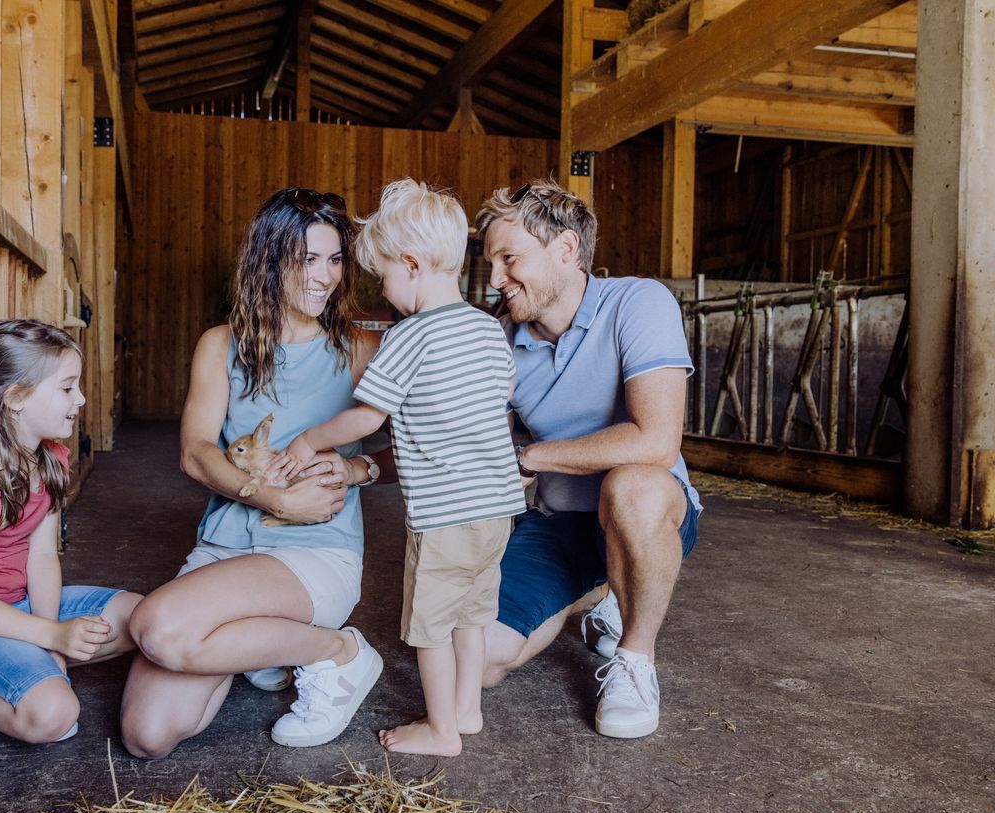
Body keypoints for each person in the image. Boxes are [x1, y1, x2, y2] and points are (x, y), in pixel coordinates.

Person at [120, 188, 391, 759]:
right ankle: (267, 649)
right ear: (270, 261)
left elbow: (420, 452)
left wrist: (357, 466)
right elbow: (195, 452)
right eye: (307, 260)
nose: (325, 277)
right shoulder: (220, 346)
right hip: (225, 545)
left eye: (335, 259)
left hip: (317, 550)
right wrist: (272, 498)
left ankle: (338, 651)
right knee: (148, 736)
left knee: (162, 628)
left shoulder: (364, 349)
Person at [274, 179, 525, 757]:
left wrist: (311, 439)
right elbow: (502, 395)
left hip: (444, 516)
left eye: (384, 274)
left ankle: (440, 731)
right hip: (497, 511)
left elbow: (367, 419)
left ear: (411, 264)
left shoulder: (411, 335)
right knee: (471, 614)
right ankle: (467, 710)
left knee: (431, 627)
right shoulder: (489, 330)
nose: (383, 288)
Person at [475, 179, 701, 739]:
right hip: (559, 522)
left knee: (632, 488)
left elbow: (656, 441)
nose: (495, 279)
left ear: (567, 249)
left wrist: (536, 456)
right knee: (479, 660)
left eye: (509, 259)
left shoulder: (638, 302)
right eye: (490, 263)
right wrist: (361, 460)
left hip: (646, 512)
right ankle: (602, 591)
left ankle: (635, 659)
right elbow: (477, 440)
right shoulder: (499, 339)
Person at [0, 319, 143, 762]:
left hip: (16, 608)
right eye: (67, 388)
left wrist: (49, 635)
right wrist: (52, 635)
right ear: (15, 398)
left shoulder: (49, 457)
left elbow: (42, 559)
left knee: (146, 619)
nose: (81, 399)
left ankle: (25, 663)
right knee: (56, 715)